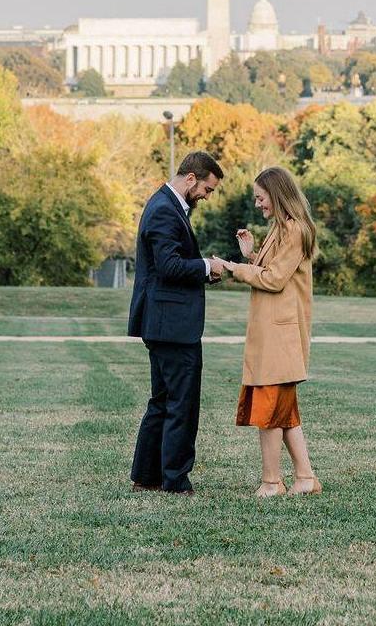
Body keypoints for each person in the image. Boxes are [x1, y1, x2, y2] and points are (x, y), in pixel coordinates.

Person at [214, 166, 321, 497]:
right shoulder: (281, 229)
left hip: (281, 336)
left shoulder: (295, 231)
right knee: (283, 410)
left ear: (276, 194)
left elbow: (273, 279)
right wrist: (251, 255)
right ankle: (305, 478)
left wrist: (235, 268)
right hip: (272, 335)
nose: (258, 204)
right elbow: (271, 269)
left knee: (270, 411)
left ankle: (272, 482)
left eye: (261, 197)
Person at [127, 150, 224, 494]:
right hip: (171, 325)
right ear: (191, 179)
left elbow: (170, 264)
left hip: (165, 322)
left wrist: (203, 272)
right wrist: (206, 267)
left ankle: (147, 476)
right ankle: (175, 480)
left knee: (163, 400)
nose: (206, 197)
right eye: (207, 189)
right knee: (181, 403)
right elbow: (169, 266)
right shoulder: (165, 211)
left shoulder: (166, 205)